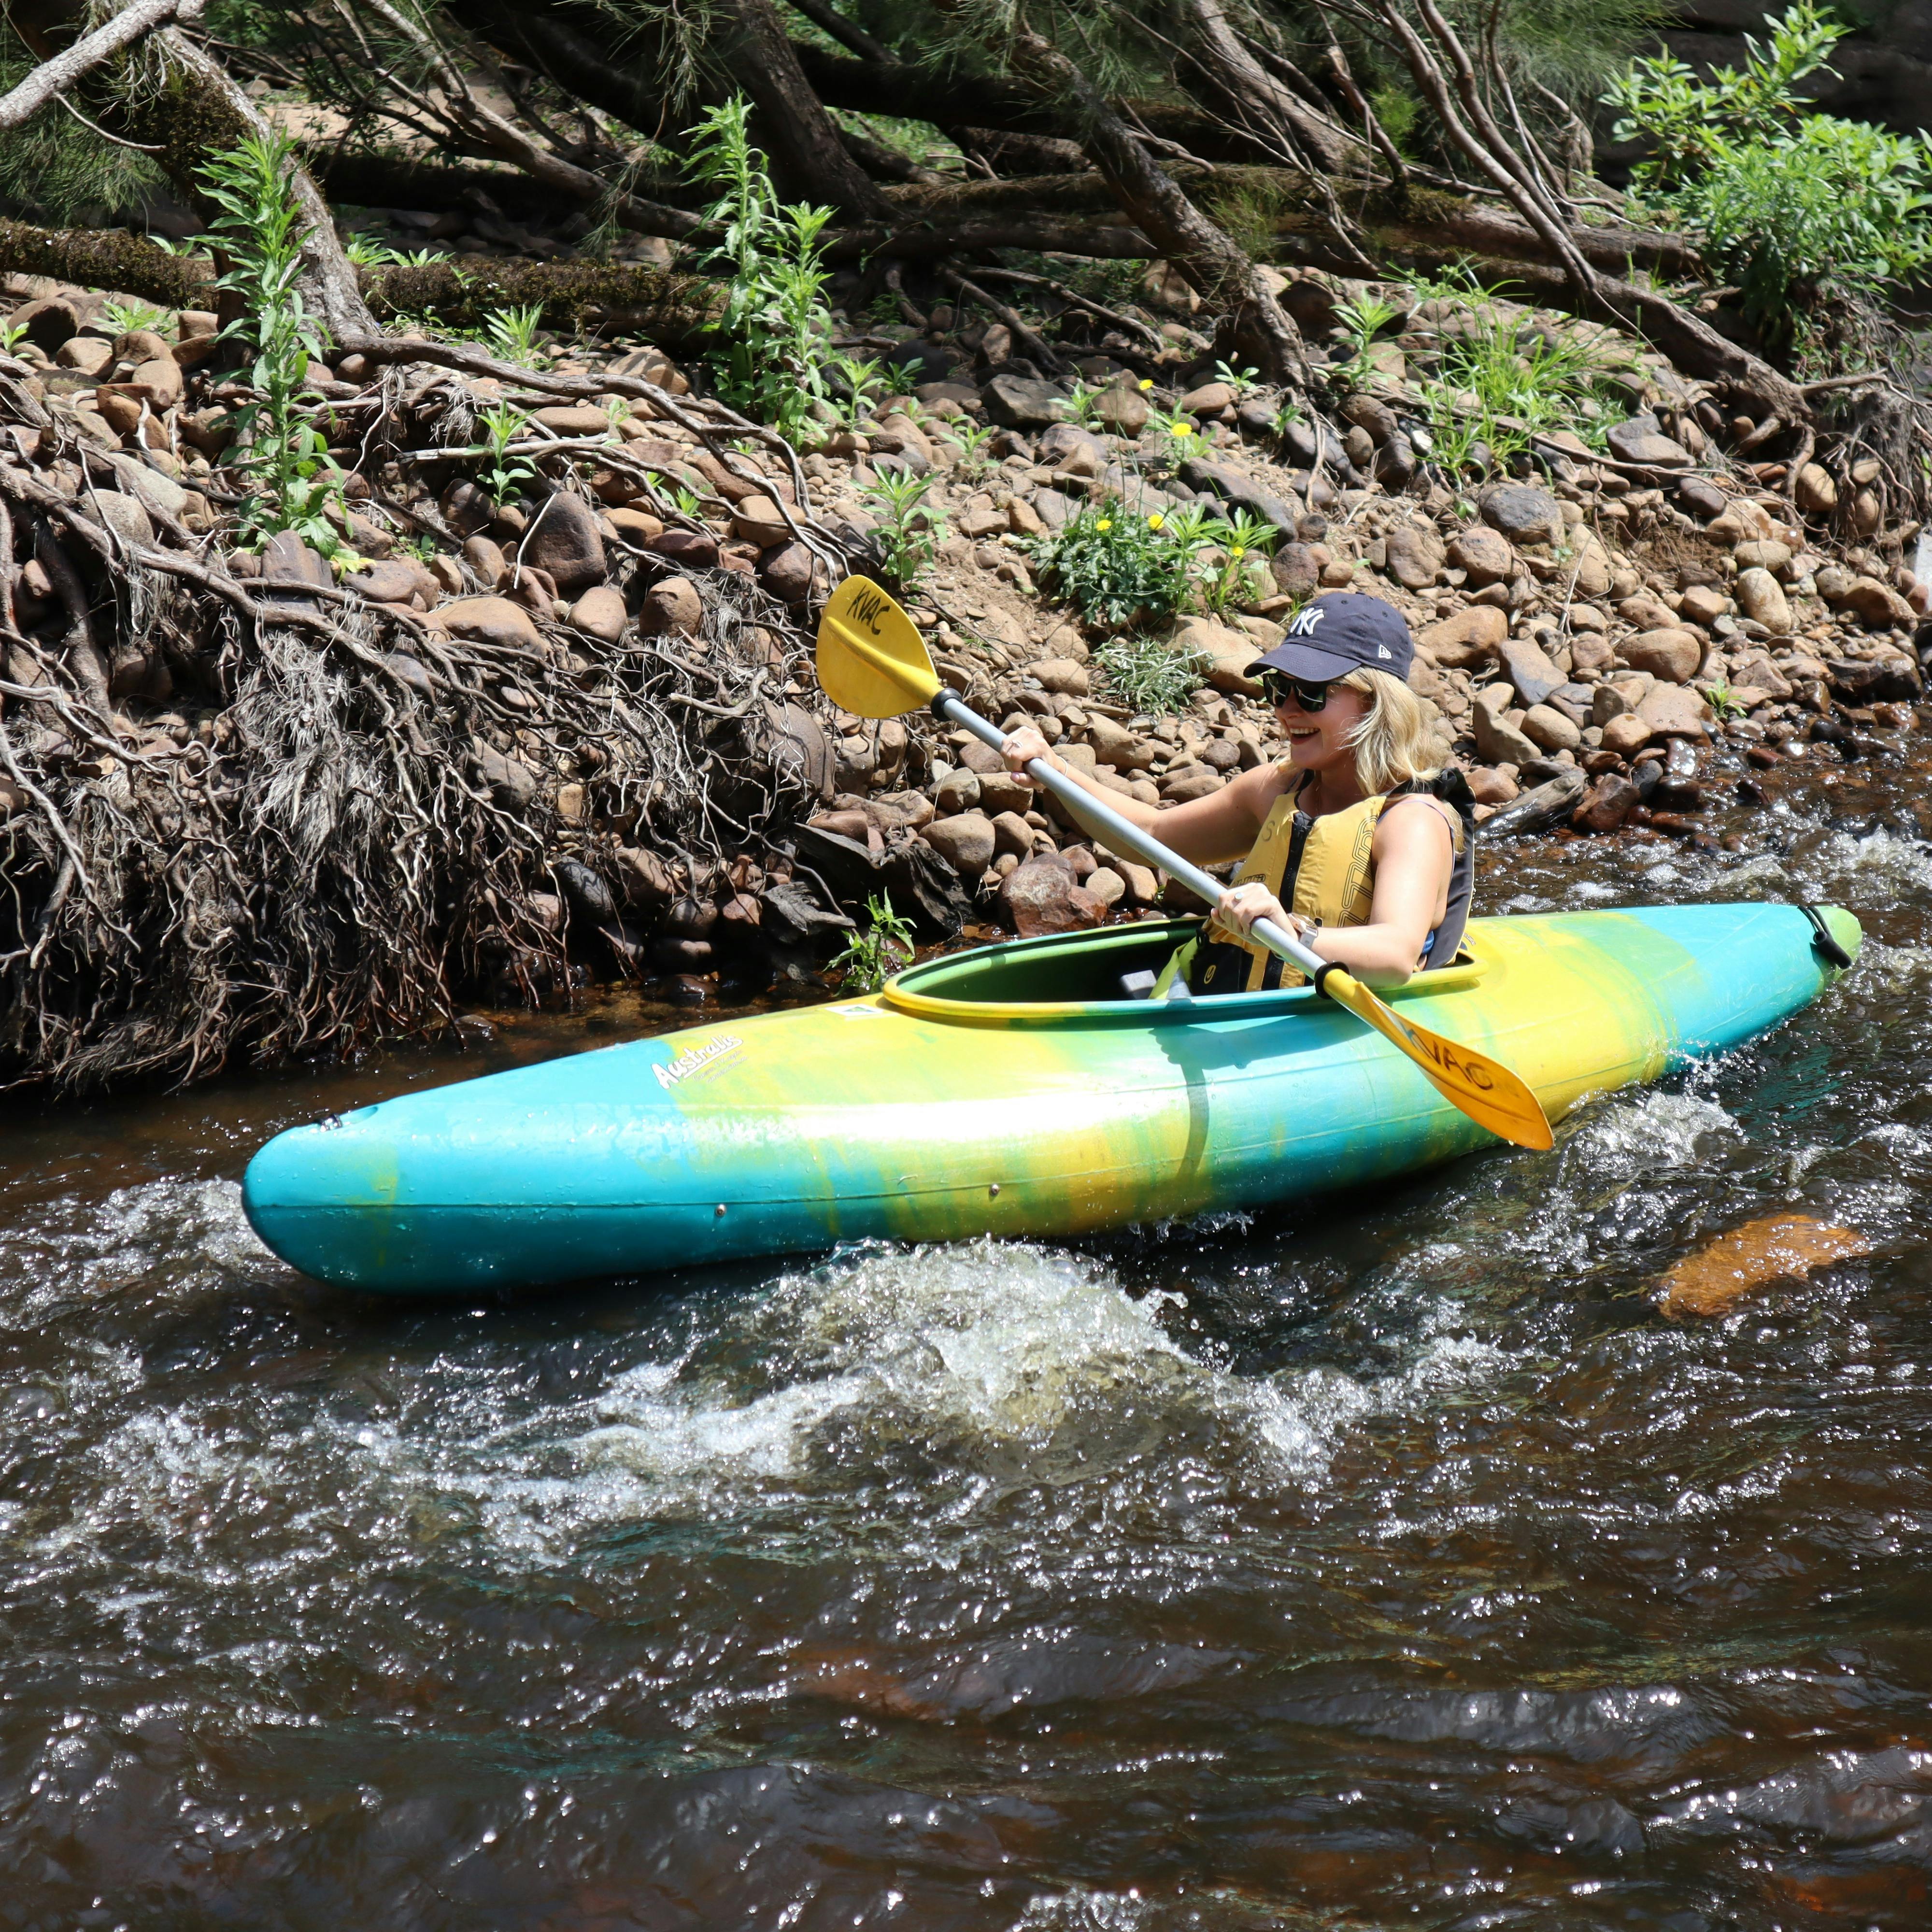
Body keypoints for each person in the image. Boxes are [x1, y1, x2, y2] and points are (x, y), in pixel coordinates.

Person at [1000, 591, 1475, 994]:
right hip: (1226, 1002)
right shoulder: (1275, 788)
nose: (1287, 709)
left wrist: (1293, 932)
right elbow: (1151, 834)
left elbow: (1393, 956)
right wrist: (1056, 771)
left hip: (1325, 1022)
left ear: (1374, 703)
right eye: (1279, 687)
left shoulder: (1411, 820)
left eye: (1310, 692)